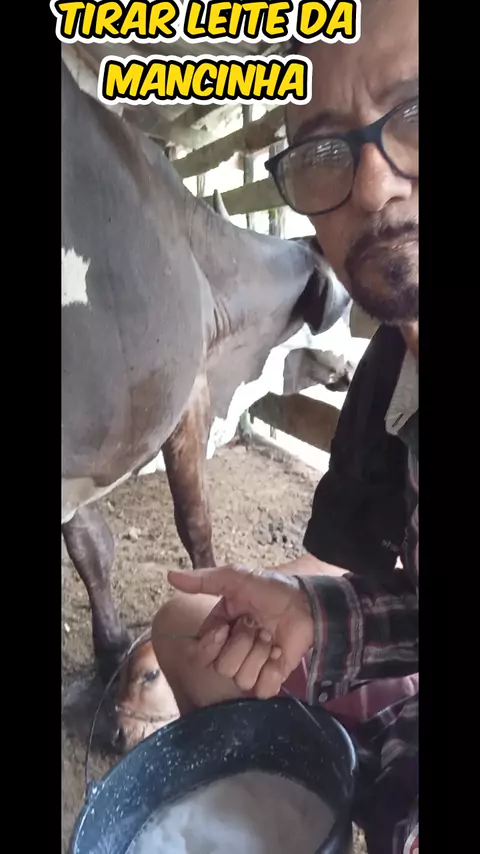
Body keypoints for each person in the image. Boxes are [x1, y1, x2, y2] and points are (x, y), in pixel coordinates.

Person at [152, 0, 419, 851]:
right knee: (185, 630)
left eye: (415, 112)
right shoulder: (392, 372)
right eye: (324, 151)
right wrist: (315, 615)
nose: (371, 186)